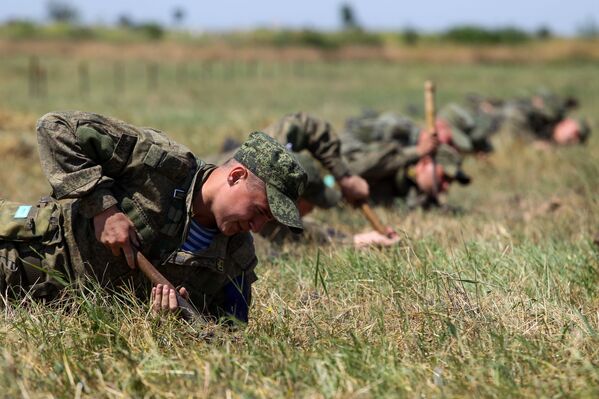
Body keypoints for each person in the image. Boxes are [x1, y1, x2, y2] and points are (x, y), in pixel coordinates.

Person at [0, 111, 307, 323]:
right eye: (259, 211)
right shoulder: (160, 164)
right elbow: (55, 126)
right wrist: (103, 207)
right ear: (236, 176)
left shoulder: (236, 257)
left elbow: (229, 338)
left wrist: (171, 326)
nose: (257, 227)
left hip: (55, 312)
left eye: (267, 221)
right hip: (22, 258)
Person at [502, 90, 591, 145]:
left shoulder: (548, 140)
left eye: (577, 140)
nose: (573, 139)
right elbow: (513, 116)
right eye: (575, 133)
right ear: (567, 122)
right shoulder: (546, 116)